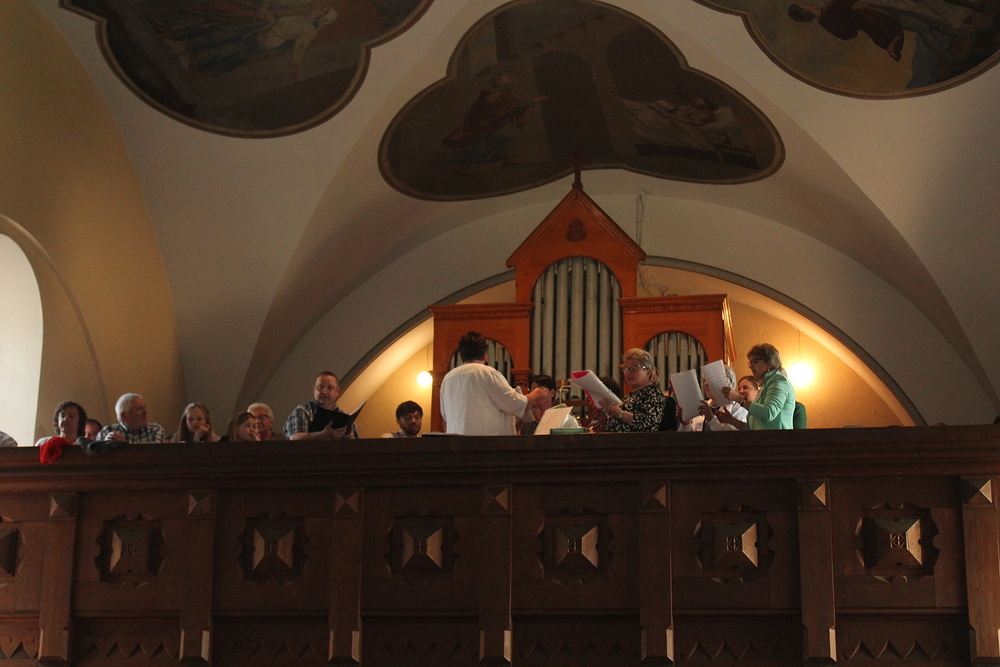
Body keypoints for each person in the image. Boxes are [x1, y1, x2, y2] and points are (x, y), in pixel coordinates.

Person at [439, 331, 547, 436]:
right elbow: (515, 404)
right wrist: (536, 394)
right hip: (487, 444)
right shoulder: (486, 373)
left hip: (456, 444)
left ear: (461, 355)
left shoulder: (448, 378)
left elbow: (445, 417)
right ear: (485, 354)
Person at [722, 344, 796, 430]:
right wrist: (732, 421)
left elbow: (768, 413)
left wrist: (739, 398)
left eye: (755, 361)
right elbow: (754, 429)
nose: (751, 366)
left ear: (769, 363)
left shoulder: (778, 381)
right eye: (750, 362)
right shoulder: (766, 384)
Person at [599, 348, 666, 433]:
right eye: (626, 368)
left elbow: (649, 423)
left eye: (634, 368)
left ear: (648, 372)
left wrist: (620, 413)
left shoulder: (653, 394)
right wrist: (604, 420)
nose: (627, 373)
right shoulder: (630, 396)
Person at [284, 371, 359, 440]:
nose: (325, 392)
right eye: (321, 387)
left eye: (330, 388)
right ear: (314, 389)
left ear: (337, 391)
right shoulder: (302, 411)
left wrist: (351, 440)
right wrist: (322, 435)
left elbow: (360, 446)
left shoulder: (345, 417)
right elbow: (294, 438)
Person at [678, 365, 747, 432]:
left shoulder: (738, 409)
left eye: (710, 380)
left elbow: (732, 436)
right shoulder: (702, 406)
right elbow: (692, 437)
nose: (705, 384)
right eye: (705, 380)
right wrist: (685, 424)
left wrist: (711, 418)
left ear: (726, 383)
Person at [97, 393, 166, 443]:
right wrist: (106, 445)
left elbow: (154, 455)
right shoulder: (107, 431)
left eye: (144, 408)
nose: (145, 412)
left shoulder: (154, 429)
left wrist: (124, 446)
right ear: (124, 415)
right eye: (139, 409)